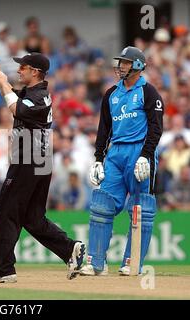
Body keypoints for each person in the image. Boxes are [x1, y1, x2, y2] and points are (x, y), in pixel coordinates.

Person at [0, 53, 85, 283]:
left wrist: (4, 81)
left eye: (23, 67)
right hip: (39, 162)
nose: (19, 70)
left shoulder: (39, 96)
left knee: (6, 211)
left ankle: (3, 270)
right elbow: (12, 99)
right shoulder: (34, 94)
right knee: (33, 218)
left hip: (29, 161)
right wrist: (0, 76)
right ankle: (70, 249)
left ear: (35, 71)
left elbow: (15, 108)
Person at [80, 46, 164, 276]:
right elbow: (104, 129)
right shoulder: (111, 94)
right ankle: (97, 263)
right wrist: (98, 159)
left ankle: (132, 261)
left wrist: (146, 155)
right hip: (115, 154)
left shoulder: (149, 92)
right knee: (101, 205)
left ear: (137, 65)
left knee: (140, 208)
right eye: (120, 63)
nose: (120, 66)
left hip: (139, 153)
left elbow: (156, 129)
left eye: (125, 63)